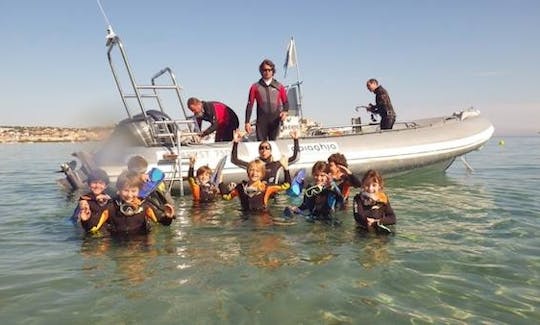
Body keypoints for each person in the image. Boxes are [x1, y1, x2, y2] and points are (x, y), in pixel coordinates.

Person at [89, 171, 175, 236]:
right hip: (118, 244)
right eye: (125, 191)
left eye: (133, 191)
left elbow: (161, 222)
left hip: (141, 242)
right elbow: (94, 227)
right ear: (119, 189)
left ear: (139, 190)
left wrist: (168, 217)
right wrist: (85, 220)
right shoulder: (111, 207)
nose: (129, 195)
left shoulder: (144, 206)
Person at [284, 161, 343, 226]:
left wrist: (331, 184)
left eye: (322, 175)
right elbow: (304, 206)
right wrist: (295, 209)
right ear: (312, 174)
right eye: (316, 175)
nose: (319, 178)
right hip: (313, 218)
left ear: (328, 176)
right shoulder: (310, 188)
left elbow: (340, 199)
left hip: (329, 221)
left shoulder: (331, 189)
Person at [231, 129, 300, 184]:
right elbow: (234, 160)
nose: (264, 150)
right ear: (259, 151)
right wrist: (236, 143)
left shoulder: (277, 164)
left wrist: (296, 140)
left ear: (270, 151)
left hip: (273, 198)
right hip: (258, 196)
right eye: (261, 148)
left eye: (267, 148)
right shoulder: (254, 165)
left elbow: (296, 157)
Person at [221, 159, 290, 212]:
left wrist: (286, 169)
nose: (254, 173)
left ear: (262, 174)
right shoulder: (240, 188)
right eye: (251, 170)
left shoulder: (267, 187)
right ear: (248, 172)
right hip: (245, 220)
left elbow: (286, 185)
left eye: (257, 171)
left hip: (263, 218)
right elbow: (226, 197)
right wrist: (220, 182)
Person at [244, 59, 289, 140]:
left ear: (273, 71)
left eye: (269, 70)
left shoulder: (279, 86)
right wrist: (247, 122)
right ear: (261, 71)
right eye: (265, 70)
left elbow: (286, 102)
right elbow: (250, 105)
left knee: (274, 146)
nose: (267, 72)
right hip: (262, 121)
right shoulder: (255, 87)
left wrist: (285, 112)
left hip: (275, 120)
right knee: (262, 146)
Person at [127, 155, 175, 223]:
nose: (144, 177)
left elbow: (167, 201)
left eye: (143, 173)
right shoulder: (126, 189)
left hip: (159, 212)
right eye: (138, 175)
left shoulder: (154, 181)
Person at [77, 168, 112, 233]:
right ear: (89, 184)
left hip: (106, 233)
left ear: (106, 186)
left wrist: (108, 200)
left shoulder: (110, 200)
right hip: (90, 232)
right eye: (94, 182)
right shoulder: (85, 200)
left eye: (101, 183)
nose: (97, 186)